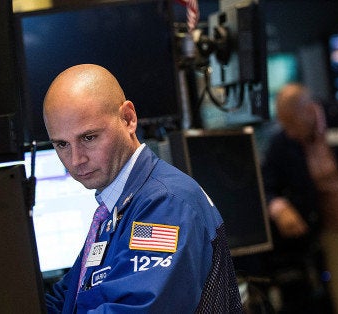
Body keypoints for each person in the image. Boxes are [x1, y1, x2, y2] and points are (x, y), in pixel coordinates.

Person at [42, 64, 242, 313]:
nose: (76, 159)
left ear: (128, 119)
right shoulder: (115, 211)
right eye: (62, 144)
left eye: (89, 138)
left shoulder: (165, 205)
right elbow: (66, 299)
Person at [260, 83, 338, 313]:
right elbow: (266, 187)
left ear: (308, 110)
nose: (288, 131)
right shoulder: (282, 143)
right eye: (283, 124)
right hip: (337, 232)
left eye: (291, 123)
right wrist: (280, 209)